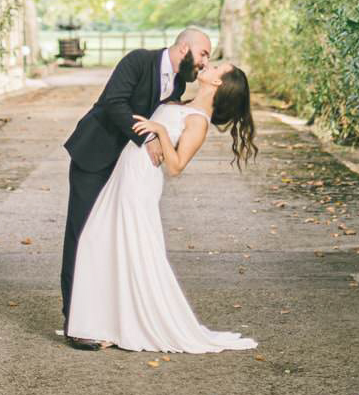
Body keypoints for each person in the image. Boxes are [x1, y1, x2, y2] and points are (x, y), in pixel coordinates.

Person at [66, 59, 259, 354]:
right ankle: (103, 322)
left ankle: (121, 325)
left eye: (217, 66)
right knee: (98, 241)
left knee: (130, 248)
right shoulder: (181, 101)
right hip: (124, 175)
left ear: (218, 83)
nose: (209, 64)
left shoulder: (198, 120)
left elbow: (177, 165)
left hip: (140, 183)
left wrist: (161, 132)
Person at [60, 28, 212, 348]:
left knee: (109, 241)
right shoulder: (137, 61)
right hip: (96, 157)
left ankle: (104, 318)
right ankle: (74, 321)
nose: (204, 62)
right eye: (203, 54)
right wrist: (147, 137)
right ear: (184, 48)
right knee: (82, 235)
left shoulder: (179, 83)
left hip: (126, 172)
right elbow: (113, 103)